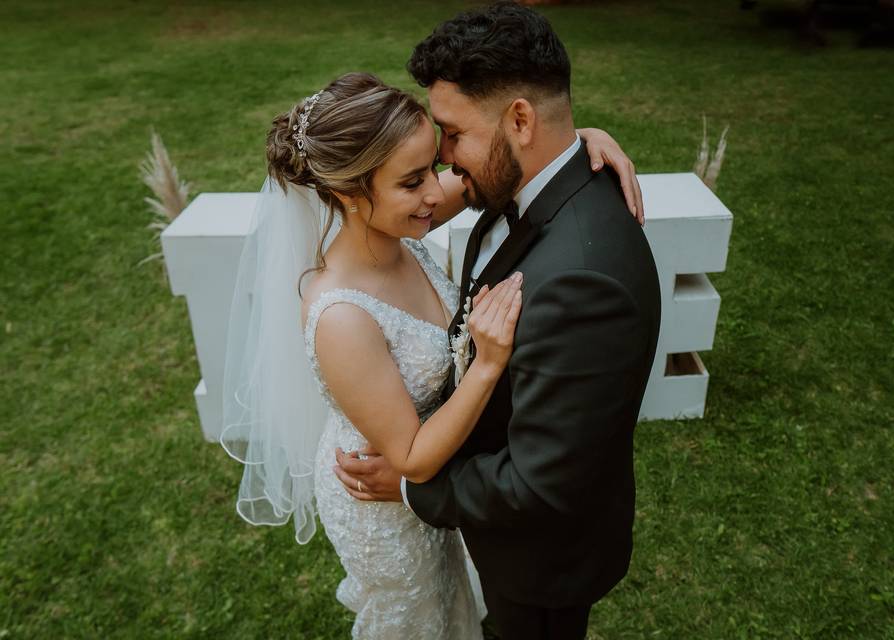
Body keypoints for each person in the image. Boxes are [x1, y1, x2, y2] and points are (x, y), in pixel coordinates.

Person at [219, 69, 642, 639]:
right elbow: (413, 458)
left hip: (435, 478)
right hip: (383, 499)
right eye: (415, 179)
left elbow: (501, 172)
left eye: (432, 169)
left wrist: (578, 139)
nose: (437, 189)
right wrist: (488, 363)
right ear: (348, 193)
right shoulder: (341, 316)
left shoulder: (395, 219)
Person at [333, 4, 662, 639]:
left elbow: (539, 486)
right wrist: (582, 134)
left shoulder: (581, 281)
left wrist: (408, 488)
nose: (443, 157)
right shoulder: (521, 181)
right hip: (485, 525)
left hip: (538, 566)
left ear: (519, 119)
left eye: (453, 133)